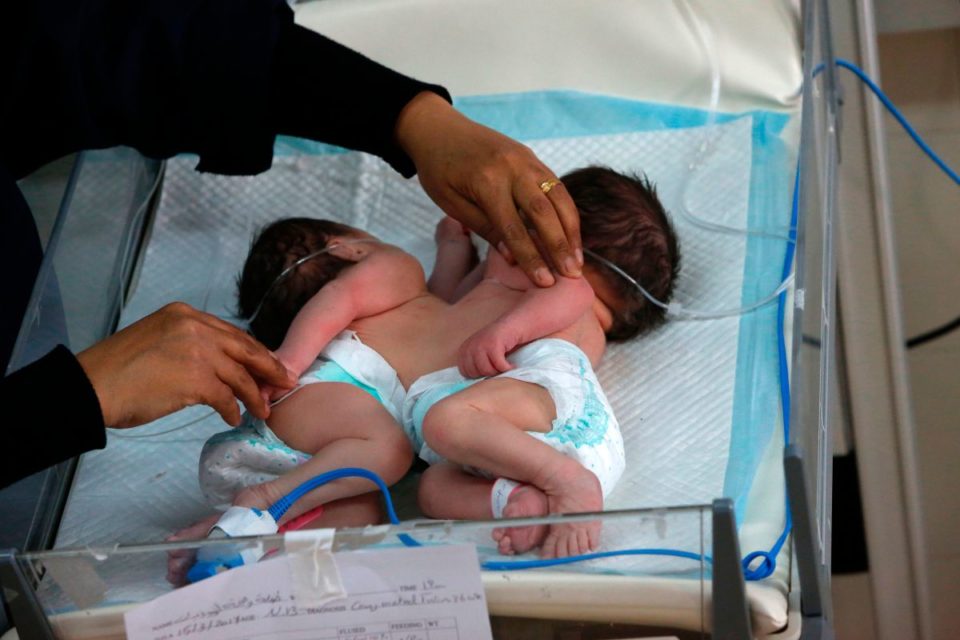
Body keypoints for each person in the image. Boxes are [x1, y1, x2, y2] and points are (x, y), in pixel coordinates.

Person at [0, 0, 584, 490]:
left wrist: (406, 118)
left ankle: (275, 511)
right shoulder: (386, 271)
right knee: (421, 451)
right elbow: (340, 309)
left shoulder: (399, 300)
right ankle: (276, 500)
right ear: (349, 247)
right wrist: (73, 401)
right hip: (46, 423)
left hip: (386, 409)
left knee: (392, 468)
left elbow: (125, 40)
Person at [188, 166, 680, 562]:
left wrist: (504, 327)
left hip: (507, 421)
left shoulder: (555, 289)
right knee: (420, 490)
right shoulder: (446, 289)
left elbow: (563, 295)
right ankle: (245, 538)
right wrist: (454, 251)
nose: (501, 245)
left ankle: (561, 484)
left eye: (521, 228)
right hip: (471, 430)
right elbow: (441, 309)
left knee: (431, 449)